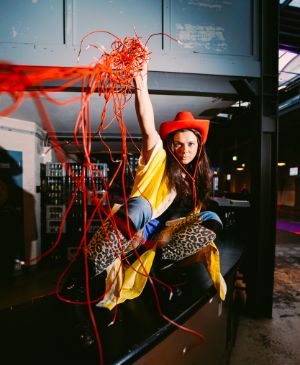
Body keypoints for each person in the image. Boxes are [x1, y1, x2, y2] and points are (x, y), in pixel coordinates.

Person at [67, 59, 226, 309]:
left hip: (168, 240)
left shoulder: (198, 178)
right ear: (170, 145)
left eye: (191, 144)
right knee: (139, 206)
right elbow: (147, 126)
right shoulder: (159, 159)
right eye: (178, 144)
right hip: (139, 231)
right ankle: (82, 275)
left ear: (199, 147)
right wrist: (140, 83)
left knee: (213, 218)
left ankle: (157, 267)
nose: (184, 150)